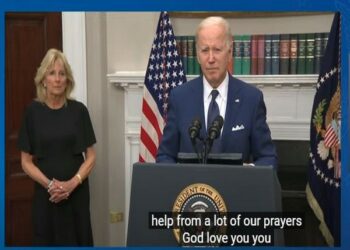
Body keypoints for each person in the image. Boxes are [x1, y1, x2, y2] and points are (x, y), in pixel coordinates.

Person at [156, 16, 277, 168]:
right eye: (205, 50)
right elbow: (165, 155)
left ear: (230, 52)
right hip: (193, 190)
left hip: (235, 189)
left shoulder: (251, 99)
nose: (211, 58)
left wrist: (249, 174)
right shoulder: (179, 98)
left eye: (217, 50)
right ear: (198, 55)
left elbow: (268, 158)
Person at [18, 48, 96, 246]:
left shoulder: (79, 111)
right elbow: (26, 161)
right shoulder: (32, 112)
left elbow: (91, 156)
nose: (57, 79)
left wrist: (72, 183)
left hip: (76, 195)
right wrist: (50, 185)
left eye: (62, 74)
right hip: (47, 197)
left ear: (67, 80)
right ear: (43, 79)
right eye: (52, 73)